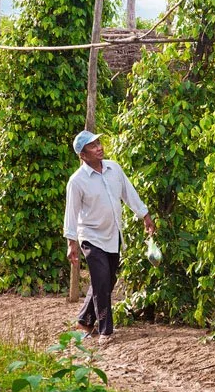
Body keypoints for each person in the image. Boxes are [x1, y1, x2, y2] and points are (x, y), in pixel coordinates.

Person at [64, 130, 156, 344]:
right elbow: (71, 213)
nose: (99, 148)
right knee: (102, 279)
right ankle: (106, 331)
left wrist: (145, 215)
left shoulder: (114, 169)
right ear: (83, 155)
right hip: (91, 236)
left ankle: (84, 321)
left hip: (113, 234)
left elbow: (129, 193)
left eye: (99, 143)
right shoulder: (77, 181)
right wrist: (72, 243)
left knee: (107, 279)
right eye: (93, 146)